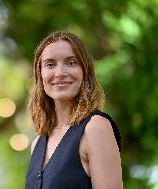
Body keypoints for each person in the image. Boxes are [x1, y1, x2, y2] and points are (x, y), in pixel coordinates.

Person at [25, 31, 122, 189]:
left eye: (71, 63)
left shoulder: (96, 127)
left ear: (85, 71)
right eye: (50, 64)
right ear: (40, 74)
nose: (60, 73)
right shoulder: (37, 143)